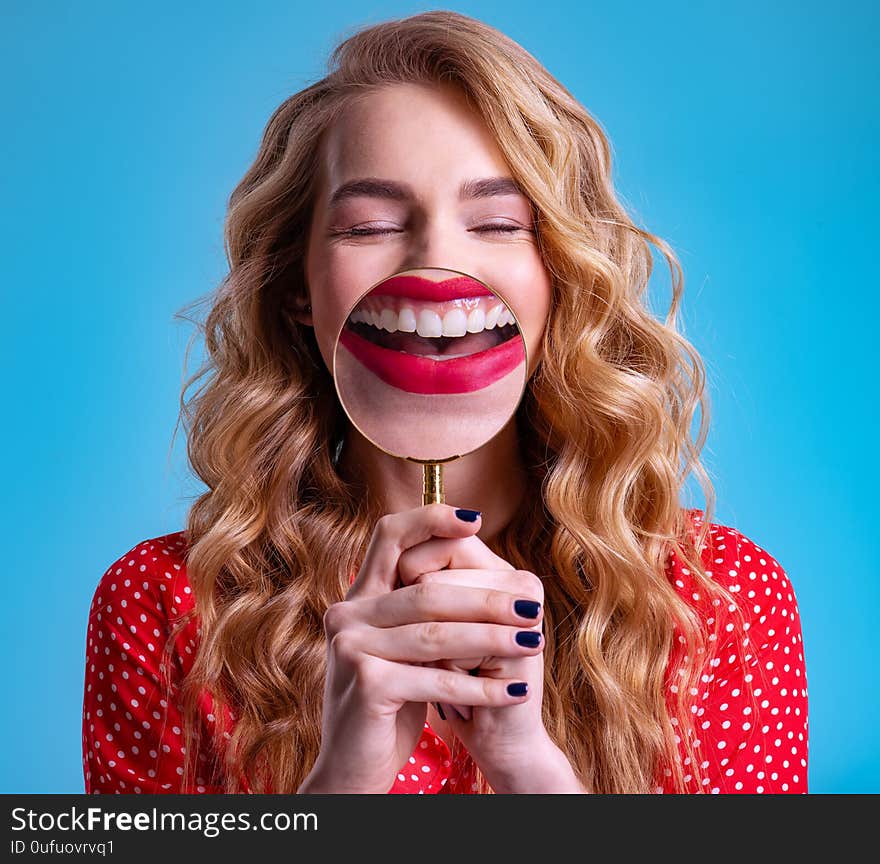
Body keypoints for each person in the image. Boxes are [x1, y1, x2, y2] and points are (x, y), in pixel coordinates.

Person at [81, 10, 808, 795]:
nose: (435, 262)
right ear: (298, 287)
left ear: (558, 276)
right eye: (371, 225)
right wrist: (345, 778)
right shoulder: (169, 604)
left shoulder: (715, 600)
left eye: (497, 223)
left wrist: (530, 770)